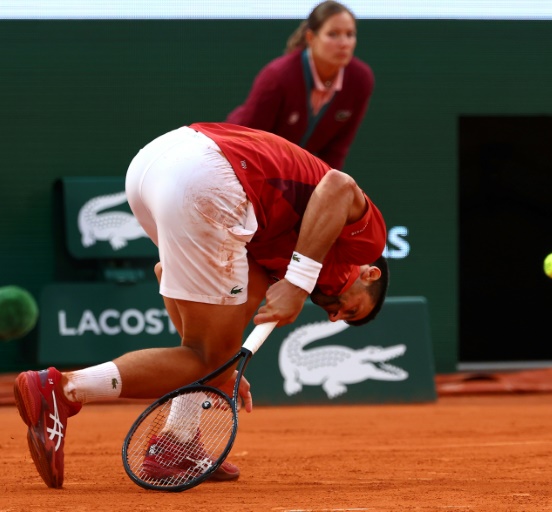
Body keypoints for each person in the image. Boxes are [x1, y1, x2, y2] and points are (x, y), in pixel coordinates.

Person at [13, 122, 389, 488]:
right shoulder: (365, 244)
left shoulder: (274, 250)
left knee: (208, 353)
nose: (334, 314)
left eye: (339, 318)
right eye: (351, 310)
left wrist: (220, 371)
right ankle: (61, 390)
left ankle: (178, 443)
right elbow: (338, 185)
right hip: (210, 177)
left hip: (154, 167)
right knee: (205, 355)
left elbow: (167, 276)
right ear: (369, 275)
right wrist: (298, 281)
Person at [226, 1, 374, 171]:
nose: (344, 43)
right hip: (236, 159)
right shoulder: (277, 76)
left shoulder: (361, 79)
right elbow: (247, 143)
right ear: (311, 38)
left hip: (292, 172)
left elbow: (336, 151)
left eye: (350, 34)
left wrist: (329, 189)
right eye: (333, 34)